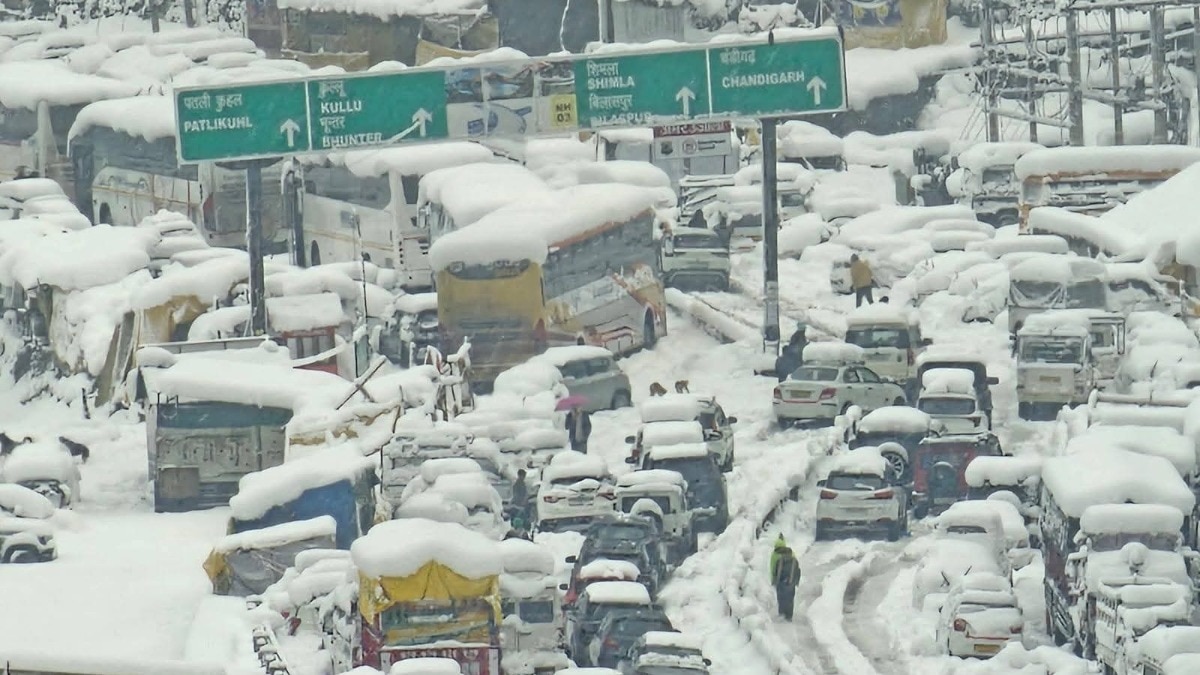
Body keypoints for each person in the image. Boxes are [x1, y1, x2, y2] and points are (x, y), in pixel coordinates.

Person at [772, 546, 802, 620]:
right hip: (786, 584)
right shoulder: (792, 561)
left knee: (784, 599)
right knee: (786, 599)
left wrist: (775, 580)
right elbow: (798, 572)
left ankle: (785, 614)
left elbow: (775, 571)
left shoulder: (781, 561)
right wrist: (796, 582)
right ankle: (786, 615)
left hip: (786, 584)